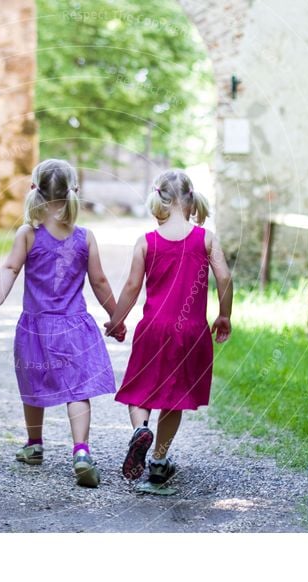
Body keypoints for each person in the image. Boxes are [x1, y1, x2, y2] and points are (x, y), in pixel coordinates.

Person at [0, 159, 125, 488]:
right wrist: (116, 317)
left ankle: (35, 446)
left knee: (32, 386)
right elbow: (99, 282)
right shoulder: (85, 237)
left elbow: (10, 269)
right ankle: (82, 451)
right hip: (75, 328)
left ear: (34, 191)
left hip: (36, 328)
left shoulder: (28, 234)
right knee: (78, 390)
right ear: (75, 193)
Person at [104, 169, 233, 484]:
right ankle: (159, 459)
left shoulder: (147, 242)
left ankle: (140, 430)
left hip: (153, 329)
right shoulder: (206, 239)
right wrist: (224, 315)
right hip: (190, 332)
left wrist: (116, 320)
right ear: (191, 201)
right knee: (174, 398)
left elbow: (133, 286)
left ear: (158, 200)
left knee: (139, 389)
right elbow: (225, 277)